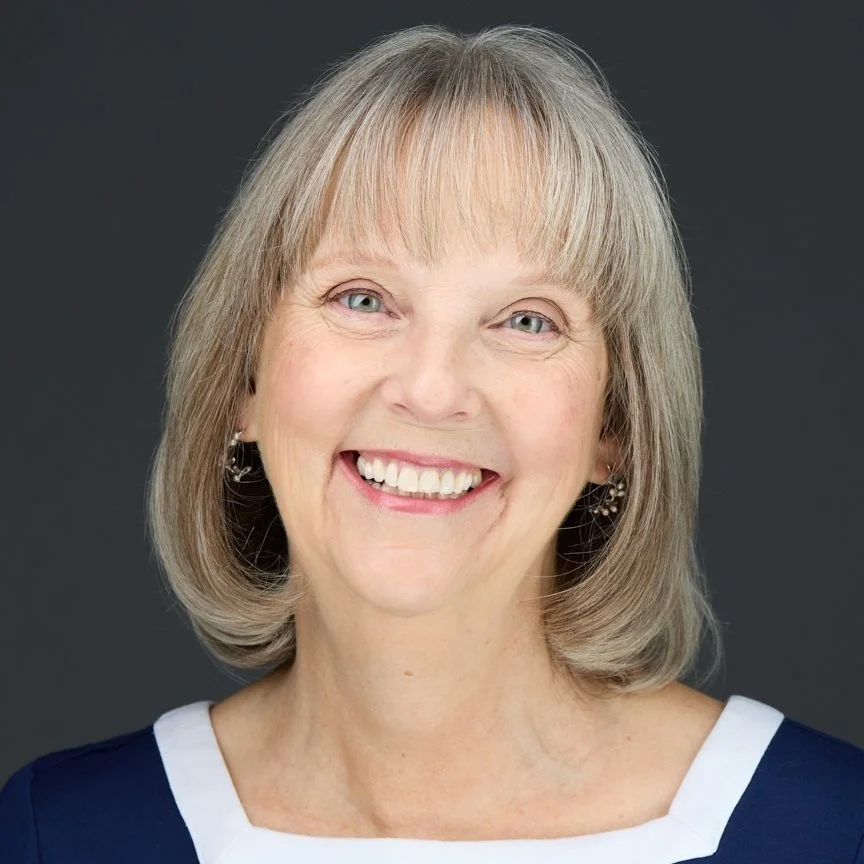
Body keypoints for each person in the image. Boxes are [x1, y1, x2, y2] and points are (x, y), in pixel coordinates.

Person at [2, 22, 863, 864]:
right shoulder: (62, 835)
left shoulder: (828, 832)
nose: (432, 389)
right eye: (363, 298)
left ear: (616, 431)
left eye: (527, 319)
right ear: (244, 384)